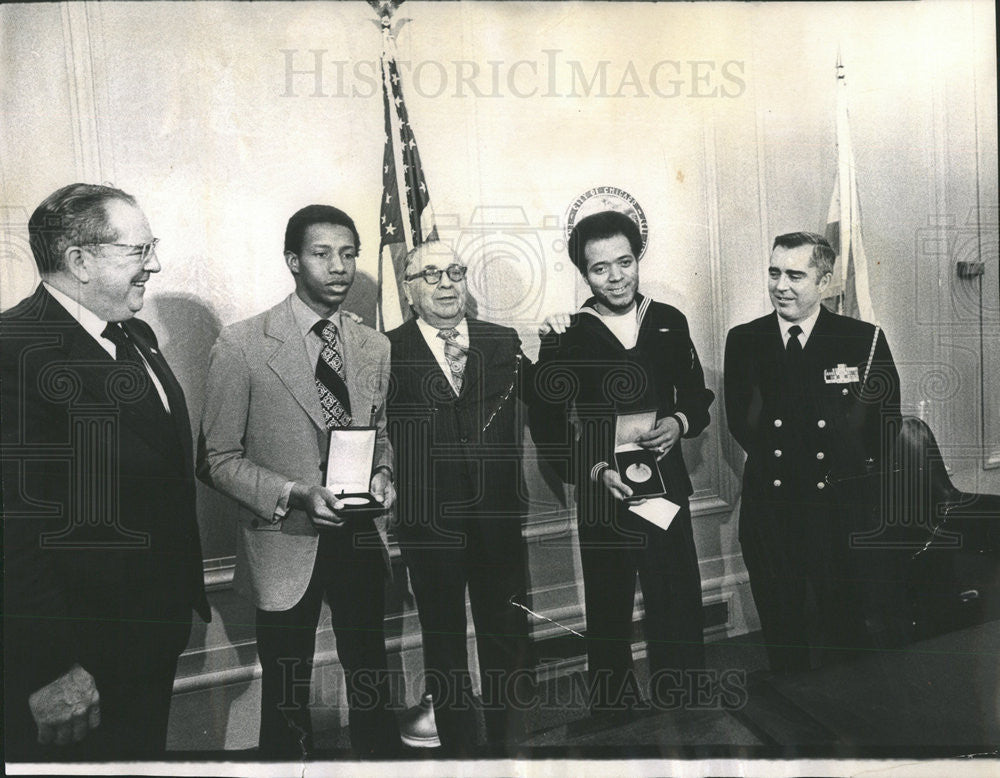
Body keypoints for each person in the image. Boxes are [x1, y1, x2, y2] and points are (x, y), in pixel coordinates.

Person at [1, 183, 209, 760]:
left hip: (152, 631)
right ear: (80, 260)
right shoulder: (13, 349)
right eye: (139, 251)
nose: (155, 265)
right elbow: (11, 531)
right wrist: (51, 667)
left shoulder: (133, 334)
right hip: (77, 658)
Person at [197, 204, 400, 758]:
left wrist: (383, 472)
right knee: (287, 687)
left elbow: (378, 433)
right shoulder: (243, 345)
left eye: (349, 254)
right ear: (292, 261)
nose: (339, 266)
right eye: (322, 253)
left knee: (370, 675)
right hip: (285, 537)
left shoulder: (372, 346)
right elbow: (215, 459)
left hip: (358, 529)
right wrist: (295, 494)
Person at [532, 209, 714, 712]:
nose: (615, 277)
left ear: (639, 259)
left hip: (665, 486)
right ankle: (613, 713)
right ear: (583, 272)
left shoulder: (669, 321)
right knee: (608, 603)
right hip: (603, 488)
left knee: (675, 594)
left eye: (625, 262)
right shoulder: (566, 333)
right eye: (600, 268)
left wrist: (678, 423)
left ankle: (684, 700)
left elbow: (696, 397)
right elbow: (548, 426)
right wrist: (594, 470)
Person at [724, 231, 902, 672]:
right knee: (783, 630)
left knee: (847, 629)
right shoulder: (745, 339)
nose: (780, 285)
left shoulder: (862, 339)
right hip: (773, 504)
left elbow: (886, 423)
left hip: (838, 506)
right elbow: (740, 421)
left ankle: (855, 726)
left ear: (824, 282)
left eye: (795, 275)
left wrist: (849, 475)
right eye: (774, 272)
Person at [386, 240, 536, 755]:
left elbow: (547, 407)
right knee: (444, 647)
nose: (447, 283)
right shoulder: (387, 350)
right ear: (409, 291)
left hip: (498, 520)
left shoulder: (503, 341)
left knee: (505, 639)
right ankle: (460, 756)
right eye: (430, 275)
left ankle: (509, 751)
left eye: (454, 271)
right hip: (430, 527)